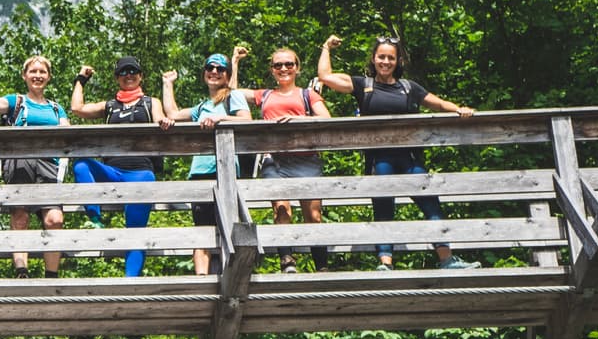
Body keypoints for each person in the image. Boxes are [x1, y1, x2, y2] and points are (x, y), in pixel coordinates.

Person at [317, 34, 480, 270]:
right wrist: (326, 47)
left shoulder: (409, 88)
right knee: (384, 207)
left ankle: (447, 259)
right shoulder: (364, 85)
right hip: (380, 158)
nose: (385, 62)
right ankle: (386, 263)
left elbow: (437, 103)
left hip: (410, 157)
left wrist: (458, 109)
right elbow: (326, 77)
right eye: (381, 57)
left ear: (398, 61)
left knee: (431, 204)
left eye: (390, 58)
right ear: (373, 59)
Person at [232, 44, 332, 273]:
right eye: (278, 65)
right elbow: (233, 93)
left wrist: (297, 120)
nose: (284, 68)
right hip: (273, 160)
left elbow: (326, 118)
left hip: (305, 159)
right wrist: (235, 62)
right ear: (272, 69)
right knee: (281, 211)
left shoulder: (308, 94)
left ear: (297, 68)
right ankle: (287, 261)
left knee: (314, 216)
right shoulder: (264, 95)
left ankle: (322, 266)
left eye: (289, 64)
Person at [69, 56, 172, 277]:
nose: (129, 76)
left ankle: (130, 281)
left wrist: (164, 122)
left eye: (133, 71)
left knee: (135, 231)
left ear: (140, 76)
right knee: (81, 166)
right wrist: (80, 79)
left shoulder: (150, 102)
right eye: (123, 72)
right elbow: (76, 108)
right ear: (117, 78)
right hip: (112, 172)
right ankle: (95, 217)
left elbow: (161, 118)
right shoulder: (109, 106)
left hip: (141, 174)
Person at [0, 53, 68, 278]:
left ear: (49, 77)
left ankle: (51, 275)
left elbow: (67, 135)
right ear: (25, 76)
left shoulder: (56, 108)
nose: (37, 75)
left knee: (54, 219)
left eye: (42, 72)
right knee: (20, 216)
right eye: (33, 71)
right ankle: (21, 270)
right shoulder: (16, 101)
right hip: (20, 161)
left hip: (49, 165)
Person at [160, 53, 253, 274]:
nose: (214, 72)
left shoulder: (233, 96)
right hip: (200, 171)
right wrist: (167, 84)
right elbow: (172, 112)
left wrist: (221, 119)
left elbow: (247, 120)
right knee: (201, 226)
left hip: (225, 172)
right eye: (210, 68)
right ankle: (201, 277)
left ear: (227, 75)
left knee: (227, 225)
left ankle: (228, 273)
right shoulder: (202, 105)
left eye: (220, 69)